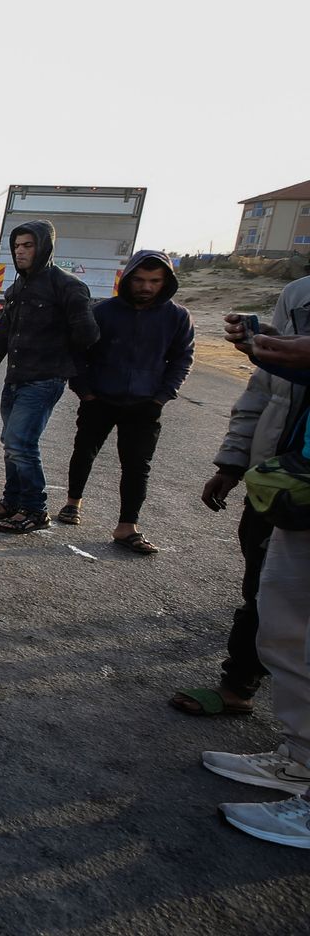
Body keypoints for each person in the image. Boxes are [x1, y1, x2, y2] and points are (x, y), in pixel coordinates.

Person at [176, 275, 310, 717]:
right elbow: (263, 391)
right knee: (263, 589)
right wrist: (231, 465)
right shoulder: (298, 294)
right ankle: (240, 685)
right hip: (276, 480)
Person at [204, 318, 310, 849]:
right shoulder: (300, 295)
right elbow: (264, 396)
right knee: (284, 626)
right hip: (299, 482)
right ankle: (300, 762)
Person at [0, 221, 99, 534]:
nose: (20, 251)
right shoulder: (18, 288)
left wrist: (60, 354)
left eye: (28, 245)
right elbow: (2, 338)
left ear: (44, 247)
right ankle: (11, 502)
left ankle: (36, 510)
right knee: (11, 443)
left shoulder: (67, 286)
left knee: (21, 443)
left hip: (45, 380)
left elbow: (88, 335)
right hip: (16, 379)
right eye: (17, 246)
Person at [57, 251, 194, 553]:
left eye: (154, 281)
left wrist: (161, 397)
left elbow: (182, 359)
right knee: (84, 451)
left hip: (145, 405)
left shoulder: (177, 317)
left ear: (165, 282)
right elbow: (78, 352)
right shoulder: (103, 311)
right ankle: (72, 503)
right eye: (141, 280)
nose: (146, 286)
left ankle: (127, 527)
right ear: (128, 279)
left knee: (137, 465)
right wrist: (85, 391)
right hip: (99, 399)